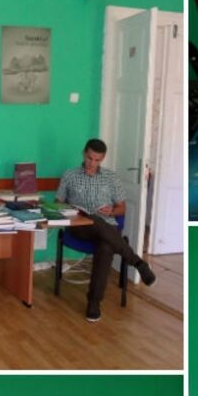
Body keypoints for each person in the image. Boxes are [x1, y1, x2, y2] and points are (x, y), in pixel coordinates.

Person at [56, 138, 156, 322]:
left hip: (107, 227)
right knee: (92, 219)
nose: (92, 163)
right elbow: (58, 203)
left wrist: (112, 211)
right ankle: (137, 262)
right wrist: (70, 209)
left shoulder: (111, 177)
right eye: (89, 158)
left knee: (106, 246)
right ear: (84, 153)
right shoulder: (70, 175)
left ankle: (93, 303)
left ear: (102, 159)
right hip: (80, 226)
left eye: (97, 160)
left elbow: (122, 208)